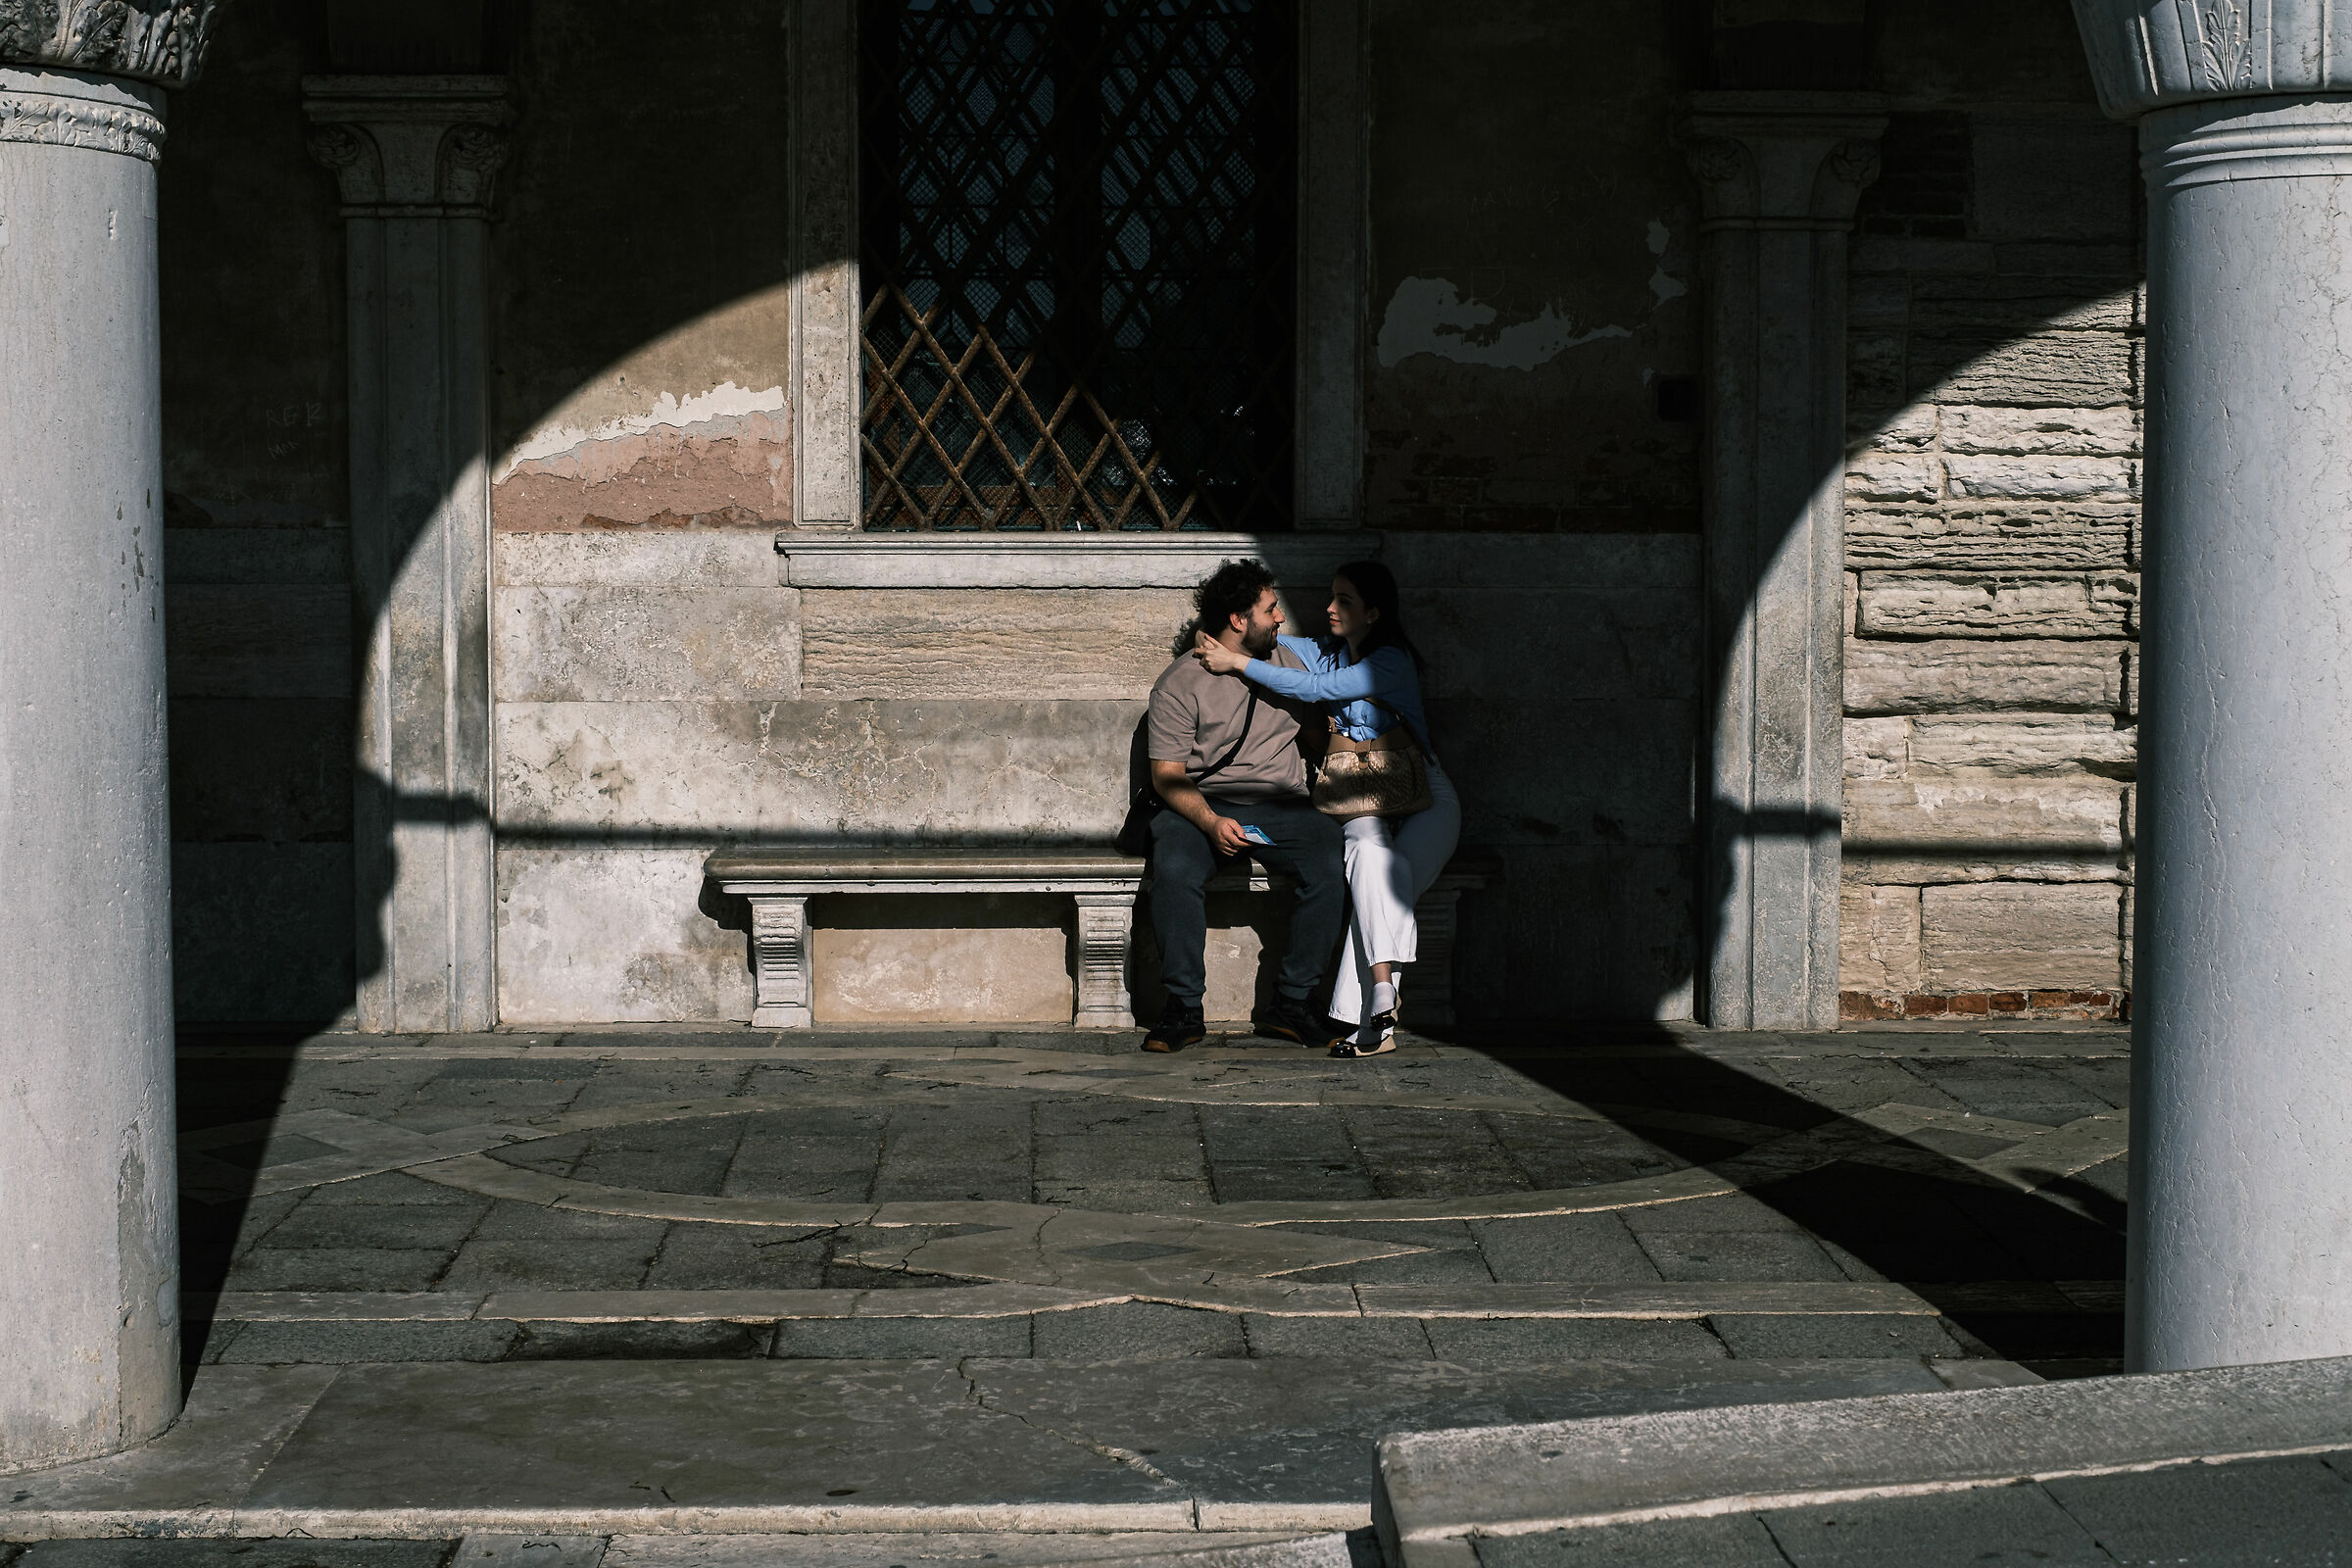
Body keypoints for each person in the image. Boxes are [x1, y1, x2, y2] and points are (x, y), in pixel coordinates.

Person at [1195, 560, 1459, 1056]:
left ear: (1374, 613)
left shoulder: (1390, 661)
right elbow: (1260, 640)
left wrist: (1237, 664)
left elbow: (1316, 690)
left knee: (1386, 888)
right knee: (1367, 860)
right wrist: (1217, 641)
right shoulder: (1323, 652)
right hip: (1357, 792)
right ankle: (1381, 1002)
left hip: (1424, 792)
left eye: (1345, 600)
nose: (1330, 607)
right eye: (1331, 596)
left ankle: (1369, 1013)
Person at [1141, 560, 1348, 1054]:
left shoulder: (1289, 665)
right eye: (1270, 608)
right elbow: (1167, 776)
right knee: (1173, 868)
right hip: (1203, 803)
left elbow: (1317, 737)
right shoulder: (1180, 682)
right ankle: (1183, 1008)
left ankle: (1293, 1003)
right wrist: (1211, 822)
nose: (1280, 617)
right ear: (1238, 619)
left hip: (1283, 803)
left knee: (1331, 860)